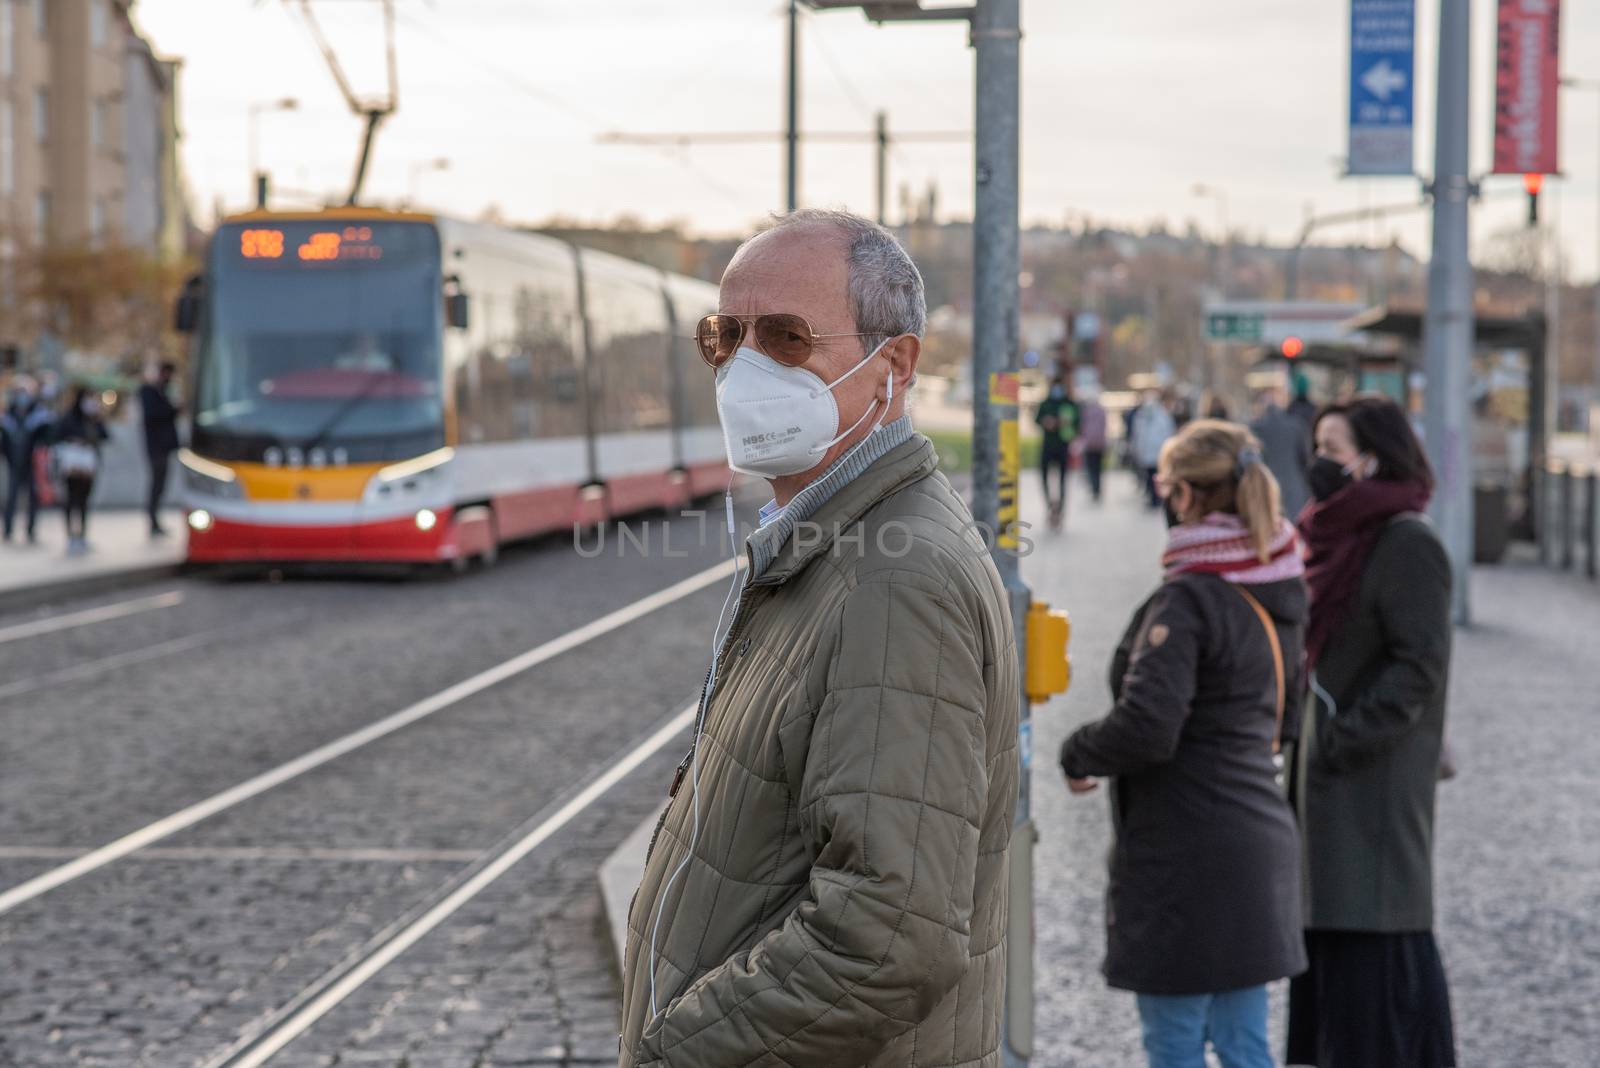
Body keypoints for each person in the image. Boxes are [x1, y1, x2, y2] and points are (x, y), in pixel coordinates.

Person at [618, 209, 1020, 1067]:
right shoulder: (831, 541)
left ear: (895, 365)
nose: (744, 365)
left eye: (787, 338)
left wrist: (674, 1052)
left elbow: (887, 938)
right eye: (726, 336)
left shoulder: (895, 581)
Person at [1060, 419, 1307, 1068]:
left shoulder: (1189, 599)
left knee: (1174, 1044)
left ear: (1188, 497)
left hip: (1187, 852)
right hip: (1257, 842)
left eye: (1167, 487)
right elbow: (1290, 718)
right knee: (1245, 1045)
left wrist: (1077, 751)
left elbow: (1148, 726)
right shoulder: (1278, 585)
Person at [1287, 395, 1456, 1068]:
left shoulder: (1407, 542)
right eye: (1318, 449)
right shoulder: (1333, 537)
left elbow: (1420, 668)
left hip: (1372, 788)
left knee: (1377, 955)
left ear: (1374, 457)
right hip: (1328, 788)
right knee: (1330, 952)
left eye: (1333, 450)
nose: (1319, 464)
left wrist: (1340, 741)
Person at [52, 386, 109, 553]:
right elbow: (57, 434)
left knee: (84, 502)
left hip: (89, 466)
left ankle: (82, 535)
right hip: (71, 466)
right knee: (71, 500)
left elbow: (105, 435)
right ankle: (70, 536)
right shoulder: (69, 417)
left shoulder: (94, 419)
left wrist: (97, 418)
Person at [1, 377, 53, 543]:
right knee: (11, 497)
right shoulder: (8, 416)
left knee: (33, 497)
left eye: (24, 392)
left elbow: (47, 438)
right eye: (18, 392)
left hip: (32, 464)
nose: (21, 396)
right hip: (14, 463)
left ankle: (31, 530)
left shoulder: (40, 416)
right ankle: (8, 529)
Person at [1250, 385, 1312, 521]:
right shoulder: (1296, 425)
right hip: (1294, 489)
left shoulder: (1254, 428)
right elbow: (1305, 459)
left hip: (1265, 490)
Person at [139, 362, 181, 537]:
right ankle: (152, 520)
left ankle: (155, 520)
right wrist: (172, 409)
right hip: (157, 447)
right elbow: (155, 414)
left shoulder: (163, 391)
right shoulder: (150, 392)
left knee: (161, 485)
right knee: (157, 484)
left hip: (163, 447)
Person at [1036, 369, 1079, 527]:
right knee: (1044, 477)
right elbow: (1037, 420)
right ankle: (1050, 505)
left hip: (1063, 446)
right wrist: (1046, 422)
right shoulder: (1046, 403)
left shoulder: (1069, 403)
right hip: (1047, 445)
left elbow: (1077, 424)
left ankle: (1060, 509)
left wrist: (1065, 424)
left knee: (1062, 480)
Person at [1131, 390, 1175, 509]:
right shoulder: (1141, 417)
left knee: (1157, 476)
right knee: (1149, 476)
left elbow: (1168, 434)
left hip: (1158, 452)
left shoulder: (1163, 416)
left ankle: (1157, 498)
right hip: (1147, 452)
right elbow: (1138, 435)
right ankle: (1152, 497)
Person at [1079, 388, 1109, 503]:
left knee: (1094, 468)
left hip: (1094, 445)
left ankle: (1096, 488)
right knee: (1095, 469)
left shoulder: (1090, 412)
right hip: (1095, 444)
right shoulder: (1095, 411)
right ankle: (1095, 488)